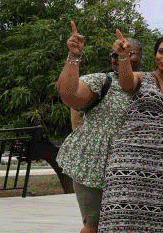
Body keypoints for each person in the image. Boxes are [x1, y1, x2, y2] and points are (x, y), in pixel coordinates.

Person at [99, 32, 163, 233]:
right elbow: (126, 83)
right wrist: (123, 57)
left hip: (160, 166)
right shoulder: (142, 78)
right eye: (161, 51)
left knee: (153, 223)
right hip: (127, 161)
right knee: (120, 220)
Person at [56, 22, 143, 233]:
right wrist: (74, 55)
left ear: (140, 57)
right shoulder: (103, 80)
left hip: (133, 167)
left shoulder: (149, 83)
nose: (118, 58)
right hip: (95, 165)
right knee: (93, 225)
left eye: (126, 53)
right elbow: (69, 95)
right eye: (114, 55)